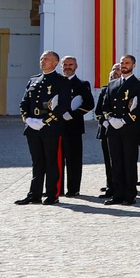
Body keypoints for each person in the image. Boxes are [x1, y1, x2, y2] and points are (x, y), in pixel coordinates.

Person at [16, 50, 66, 206]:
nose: (42, 62)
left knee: (52, 161)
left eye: (46, 59)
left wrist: (45, 120)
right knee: (37, 161)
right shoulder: (33, 81)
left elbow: (63, 105)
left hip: (50, 127)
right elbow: (24, 103)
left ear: (55, 63)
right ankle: (34, 194)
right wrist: (27, 119)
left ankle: (52, 194)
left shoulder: (61, 81)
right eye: (41, 59)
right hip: (32, 127)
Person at [97, 57, 140, 205]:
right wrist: (110, 119)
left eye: (127, 63)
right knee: (116, 162)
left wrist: (125, 119)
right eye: (122, 63)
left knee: (129, 161)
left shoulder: (139, 84)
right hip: (113, 128)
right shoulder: (113, 84)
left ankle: (130, 194)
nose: (124, 66)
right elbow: (105, 105)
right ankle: (117, 194)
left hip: (130, 128)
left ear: (133, 65)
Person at [56, 55, 93, 197]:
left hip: (73, 127)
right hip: (56, 126)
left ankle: (73, 189)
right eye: (65, 65)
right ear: (61, 67)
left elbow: (89, 104)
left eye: (70, 64)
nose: (67, 67)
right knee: (56, 159)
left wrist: (73, 114)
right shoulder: (56, 83)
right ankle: (57, 189)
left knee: (73, 159)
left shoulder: (82, 84)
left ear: (76, 67)